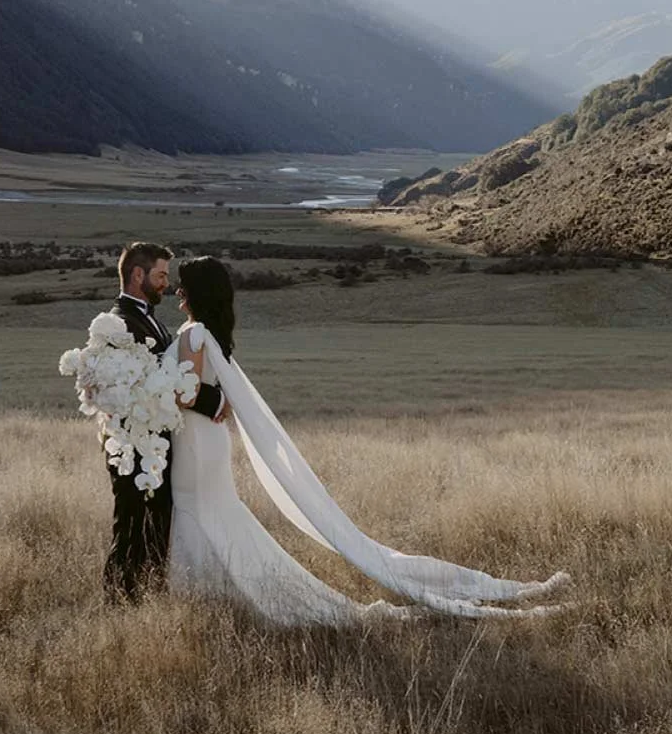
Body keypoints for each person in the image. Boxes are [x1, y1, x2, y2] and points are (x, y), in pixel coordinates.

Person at [164, 255, 570, 625]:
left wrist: (150, 391)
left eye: (183, 285)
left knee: (199, 511)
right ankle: (222, 588)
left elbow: (184, 394)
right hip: (210, 442)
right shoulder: (211, 334)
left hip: (196, 446)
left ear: (197, 291)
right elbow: (218, 397)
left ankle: (209, 591)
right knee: (217, 513)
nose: (177, 292)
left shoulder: (192, 334)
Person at [101, 241, 229, 601]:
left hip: (157, 444)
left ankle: (149, 595)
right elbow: (146, 383)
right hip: (132, 445)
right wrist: (213, 399)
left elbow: (164, 374)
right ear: (137, 274)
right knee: (130, 526)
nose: (166, 285)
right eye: (160, 275)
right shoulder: (117, 324)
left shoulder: (148, 319)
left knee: (155, 526)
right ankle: (119, 601)